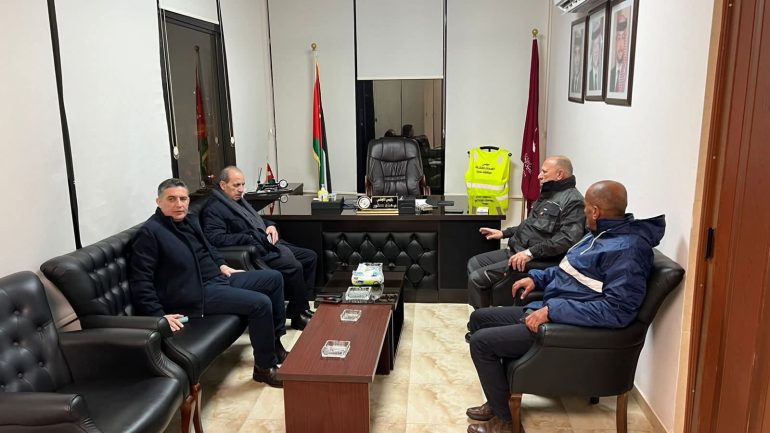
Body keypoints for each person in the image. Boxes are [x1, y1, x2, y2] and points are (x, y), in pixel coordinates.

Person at [464, 180, 665, 433]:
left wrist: (552, 311)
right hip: (557, 309)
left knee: (481, 343)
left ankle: (505, 423)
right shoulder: (600, 235)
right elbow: (569, 271)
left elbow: (617, 311)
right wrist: (537, 278)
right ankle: (498, 401)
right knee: (480, 319)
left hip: (567, 328)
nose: (583, 212)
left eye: (585, 208)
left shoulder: (628, 250)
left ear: (595, 211)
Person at [129, 178, 288, 388]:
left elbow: (209, 248)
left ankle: (275, 345)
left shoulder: (190, 220)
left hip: (218, 279)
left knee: (273, 278)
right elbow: (141, 280)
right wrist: (158, 316)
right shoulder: (150, 233)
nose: (179, 204)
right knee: (260, 303)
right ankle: (264, 368)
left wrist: (222, 265)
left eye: (183, 199)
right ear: (158, 202)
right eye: (171, 199)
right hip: (196, 293)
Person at [200, 166, 317, 330]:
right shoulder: (214, 208)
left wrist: (270, 225)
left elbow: (255, 220)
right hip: (254, 251)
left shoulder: (238, 201)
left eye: (243, 184)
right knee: (294, 266)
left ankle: (300, 306)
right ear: (222, 185)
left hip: (265, 242)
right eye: (236, 185)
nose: (241, 189)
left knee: (310, 257)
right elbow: (215, 238)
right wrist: (248, 236)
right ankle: (298, 316)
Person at [467, 156, 585, 309]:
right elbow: (530, 225)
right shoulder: (548, 193)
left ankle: (482, 318)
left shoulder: (573, 201)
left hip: (536, 258)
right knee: (473, 263)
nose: (539, 176)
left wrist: (530, 253)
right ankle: (488, 309)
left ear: (559, 174)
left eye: (544, 172)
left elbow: (568, 239)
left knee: (476, 278)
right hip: (517, 250)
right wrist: (504, 233)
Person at [609, 12, 629, 93]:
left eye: (623, 38)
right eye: (618, 38)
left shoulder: (627, 76)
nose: (620, 45)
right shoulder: (610, 74)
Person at [588, 19, 604, 92]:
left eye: (598, 44)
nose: (596, 51)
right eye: (594, 45)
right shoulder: (588, 77)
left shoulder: (603, 76)